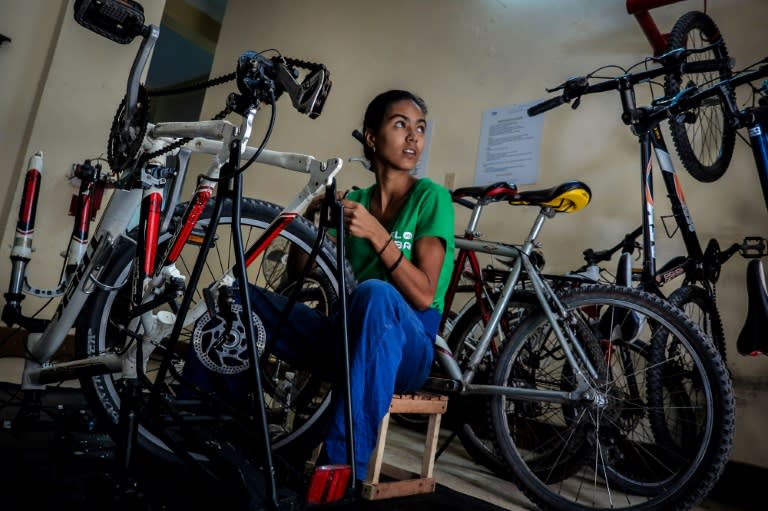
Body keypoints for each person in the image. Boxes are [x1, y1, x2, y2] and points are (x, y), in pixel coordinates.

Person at [189, 89, 455, 479]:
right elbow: (299, 276)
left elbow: (424, 293)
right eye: (401, 125)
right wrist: (310, 227)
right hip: (345, 334)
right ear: (371, 137)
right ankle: (205, 426)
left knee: (375, 294)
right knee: (237, 296)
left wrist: (378, 235)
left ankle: (342, 470)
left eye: (419, 128)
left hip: (409, 344)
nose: (414, 137)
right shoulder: (355, 200)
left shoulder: (431, 198)